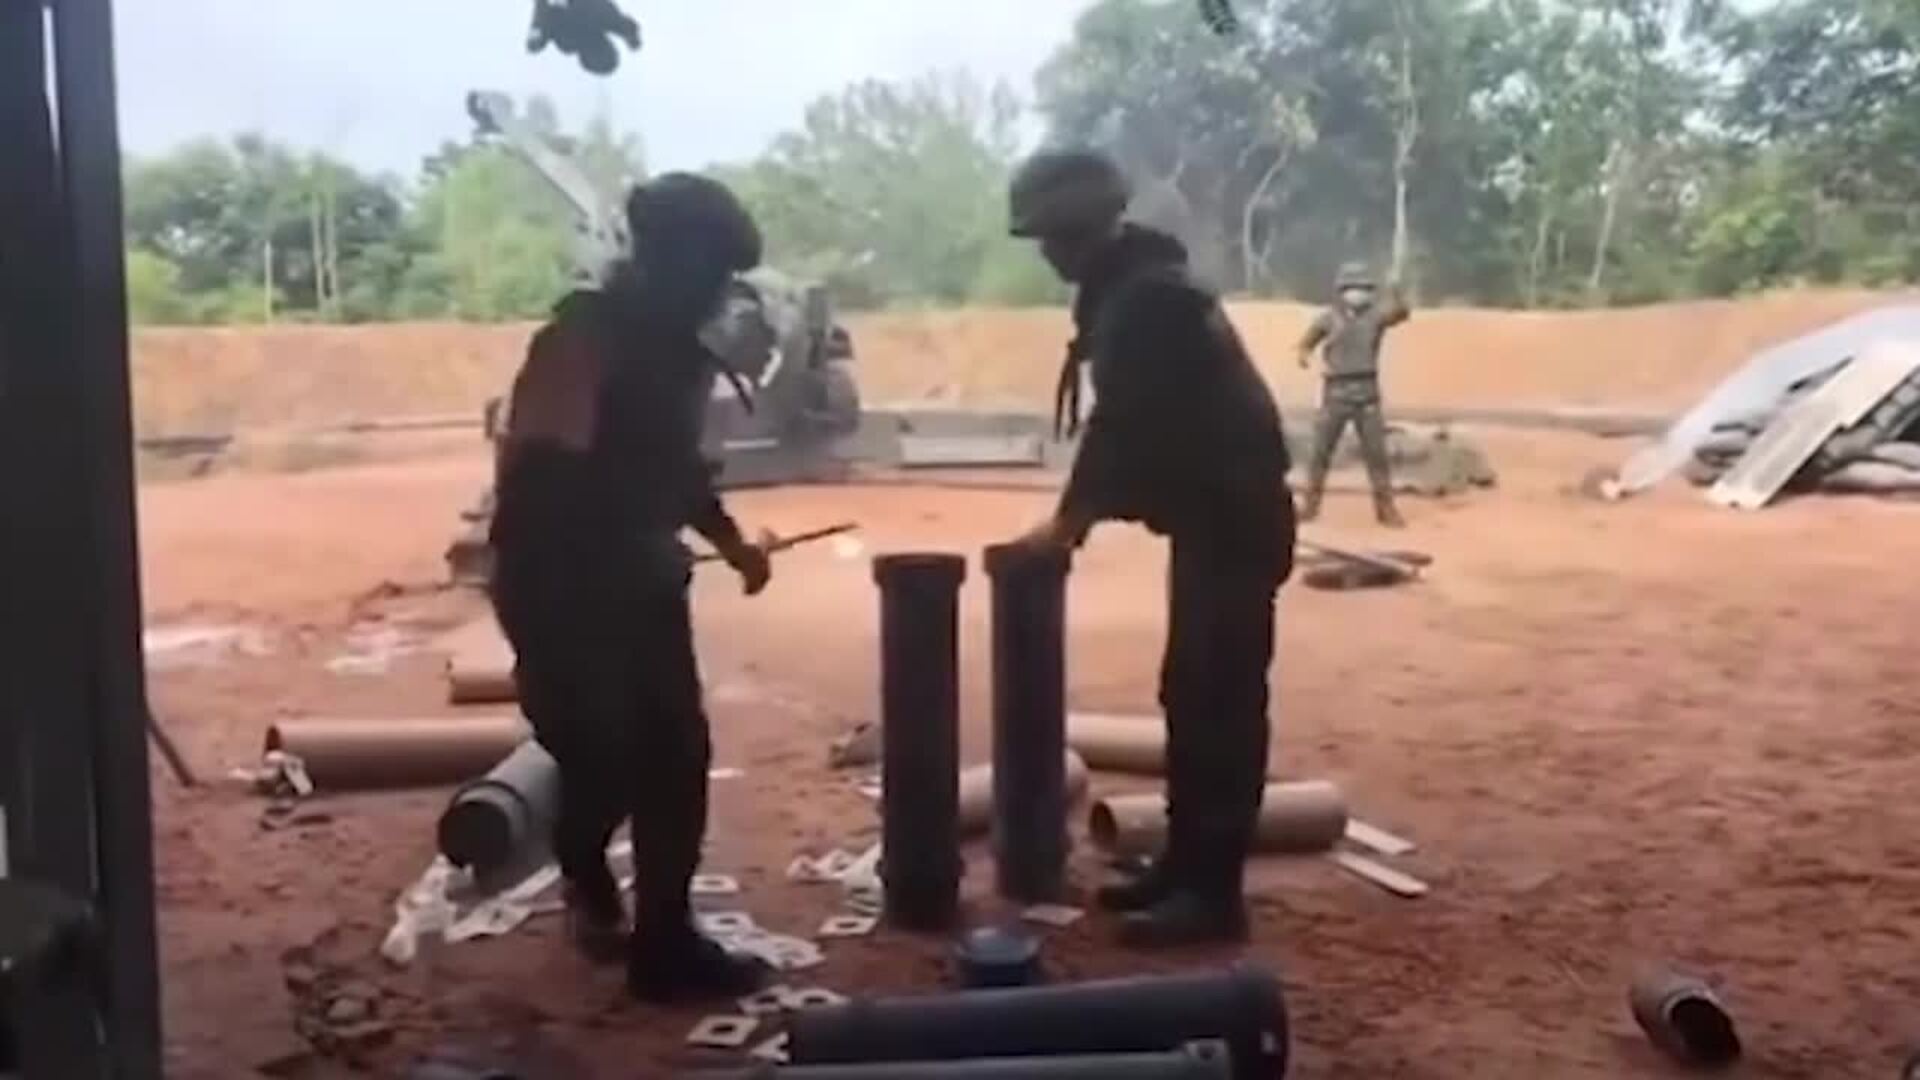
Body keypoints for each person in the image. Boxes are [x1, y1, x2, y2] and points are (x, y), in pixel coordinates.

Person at [485, 172, 773, 1002]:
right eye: (704, 270)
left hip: (640, 585)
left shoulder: (678, 356)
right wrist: (621, 553)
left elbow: (675, 470)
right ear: (657, 258)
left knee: (676, 754)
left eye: (722, 276)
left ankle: (665, 945)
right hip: (560, 586)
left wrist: (730, 544)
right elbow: (542, 481)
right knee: (601, 758)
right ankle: (582, 863)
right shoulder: (582, 338)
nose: (713, 292)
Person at [1004, 149, 1296, 947]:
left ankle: (1214, 895)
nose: (1048, 254)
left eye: (1054, 238)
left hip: (1234, 522)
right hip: (1211, 520)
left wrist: (1068, 525)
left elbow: (1121, 428)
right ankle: (1185, 865)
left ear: (1085, 229)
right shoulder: (1133, 287)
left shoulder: (1148, 300)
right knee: (1188, 694)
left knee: (1219, 703)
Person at [1294, 262, 1411, 527]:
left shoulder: (1376, 317)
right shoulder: (1328, 318)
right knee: (1320, 453)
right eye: (1353, 288)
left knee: (1376, 456)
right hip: (1335, 393)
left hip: (1367, 394)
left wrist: (1396, 289)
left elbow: (1402, 313)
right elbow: (1306, 342)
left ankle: (1386, 510)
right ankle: (1309, 507)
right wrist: (1303, 354)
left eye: (1364, 289)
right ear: (1342, 291)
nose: (1359, 294)